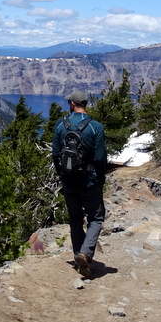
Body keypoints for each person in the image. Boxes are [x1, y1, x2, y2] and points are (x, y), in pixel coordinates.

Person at [52, 89, 107, 278]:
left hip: (69, 182)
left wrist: (62, 176)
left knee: (75, 219)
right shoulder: (95, 127)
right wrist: (100, 179)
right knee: (96, 218)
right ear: (84, 104)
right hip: (89, 182)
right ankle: (86, 253)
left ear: (72, 104)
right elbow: (100, 158)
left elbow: (55, 155)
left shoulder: (61, 125)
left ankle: (78, 255)